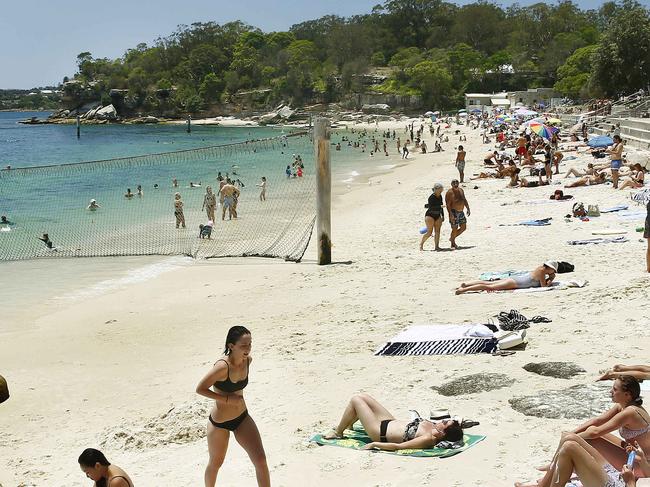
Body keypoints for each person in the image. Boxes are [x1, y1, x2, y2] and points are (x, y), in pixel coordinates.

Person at [196, 326, 269, 487]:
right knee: (215, 464)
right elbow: (200, 389)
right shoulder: (222, 367)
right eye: (244, 345)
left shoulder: (248, 361)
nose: (248, 349)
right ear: (231, 346)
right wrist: (227, 399)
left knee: (261, 460)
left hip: (242, 418)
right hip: (219, 423)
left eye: (250, 344)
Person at [322, 393, 463, 451]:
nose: (443, 420)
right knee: (363, 396)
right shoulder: (434, 427)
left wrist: (374, 444)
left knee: (356, 400)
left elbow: (399, 447)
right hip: (389, 421)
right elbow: (457, 430)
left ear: (443, 432)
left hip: (379, 432)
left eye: (445, 422)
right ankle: (350, 422)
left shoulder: (428, 438)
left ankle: (338, 432)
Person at [514, 435, 648, 487]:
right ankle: (542, 485)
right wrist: (642, 460)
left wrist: (630, 481)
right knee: (569, 437)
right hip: (619, 479)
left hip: (619, 484)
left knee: (569, 447)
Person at [455, 261, 558, 294]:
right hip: (516, 283)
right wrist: (551, 279)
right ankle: (463, 290)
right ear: (550, 268)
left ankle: (466, 284)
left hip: (516, 279)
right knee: (490, 287)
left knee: (489, 283)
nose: (553, 272)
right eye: (553, 270)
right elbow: (543, 286)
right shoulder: (542, 271)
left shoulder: (541, 269)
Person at [445, 179, 470, 249]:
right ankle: (453, 243)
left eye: (457, 182)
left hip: (461, 212)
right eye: (454, 183)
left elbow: (464, 199)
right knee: (454, 228)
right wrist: (451, 215)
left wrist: (468, 208)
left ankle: (452, 238)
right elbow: (448, 205)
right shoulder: (449, 193)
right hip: (453, 212)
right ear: (451, 184)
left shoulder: (461, 190)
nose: (455, 184)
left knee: (463, 227)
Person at [420, 183, 445, 251]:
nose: (441, 192)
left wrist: (443, 215)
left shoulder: (440, 196)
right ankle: (421, 244)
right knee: (429, 232)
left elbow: (441, 206)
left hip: (438, 215)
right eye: (440, 190)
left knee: (437, 231)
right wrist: (440, 206)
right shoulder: (431, 197)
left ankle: (437, 246)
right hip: (430, 216)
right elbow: (431, 207)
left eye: (441, 191)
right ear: (436, 190)